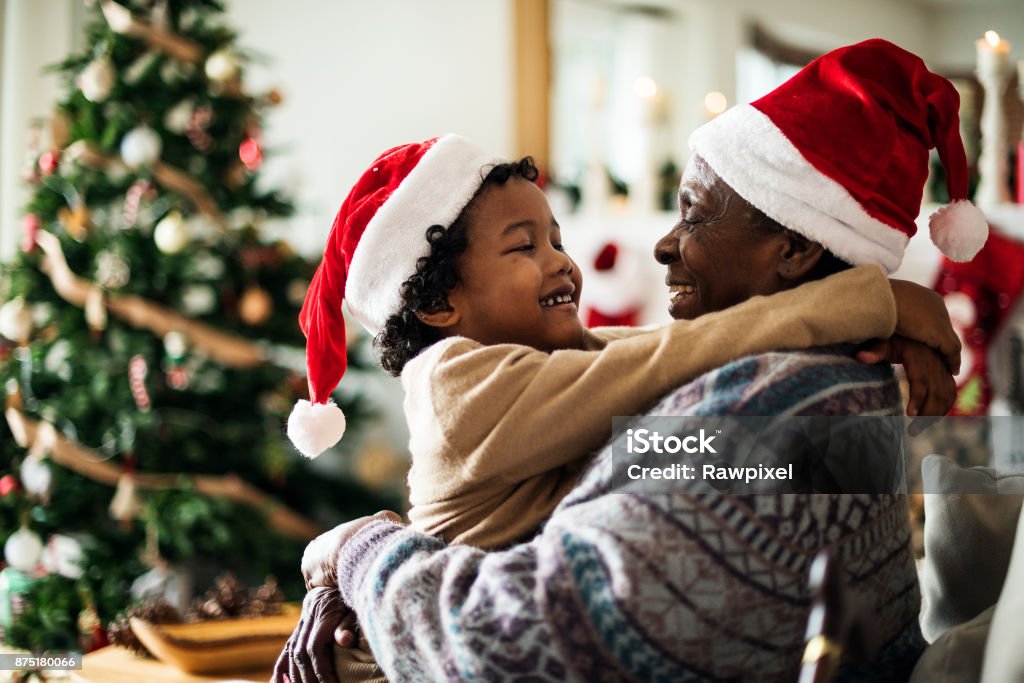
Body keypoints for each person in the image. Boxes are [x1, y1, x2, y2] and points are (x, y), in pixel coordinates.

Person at [277, 39, 984, 682]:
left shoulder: (772, 419)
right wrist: (870, 301)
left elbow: (505, 642)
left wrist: (355, 549)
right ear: (439, 303)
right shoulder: (458, 381)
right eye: (525, 247)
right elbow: (659, 361)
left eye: (696, 213)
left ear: (794, 251)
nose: (663, 244)